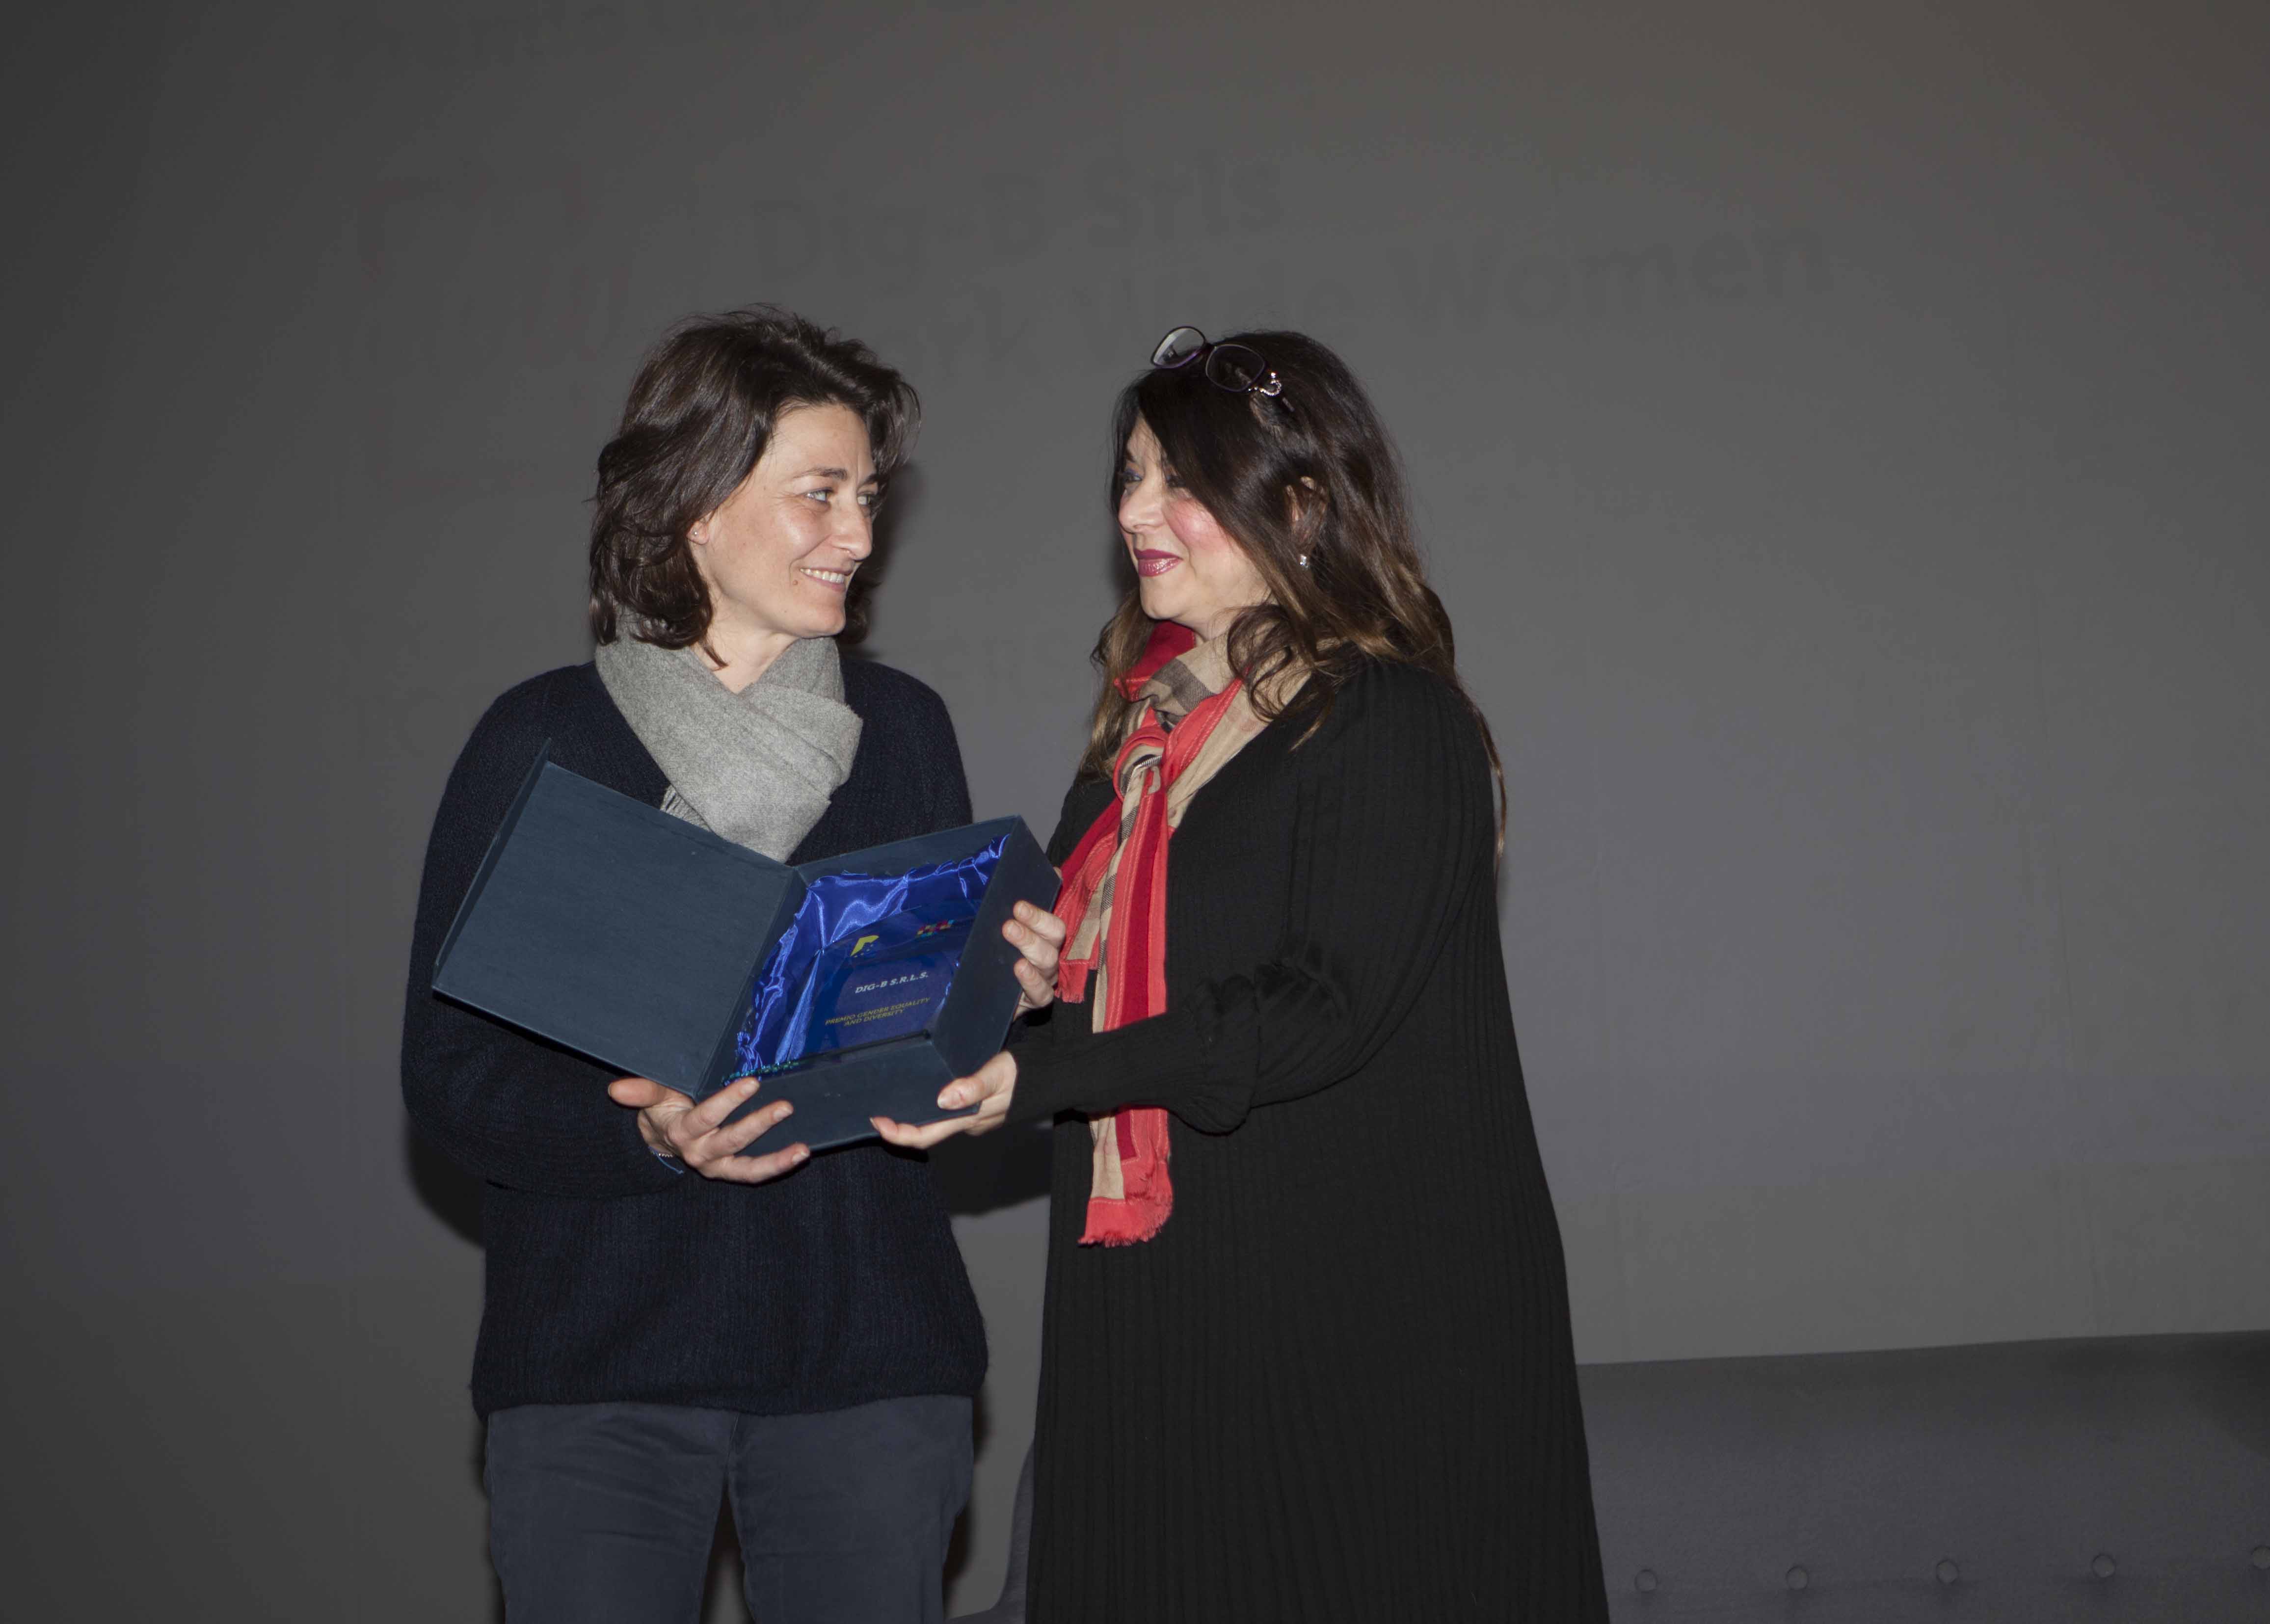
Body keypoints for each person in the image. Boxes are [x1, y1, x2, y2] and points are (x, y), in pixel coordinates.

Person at [876, 328, 1609, 1620]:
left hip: (1361, 1324)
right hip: (1166, 1311)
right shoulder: (1140, 742)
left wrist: (1039, 1075)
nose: (1133, 513)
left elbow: (1321, 1010)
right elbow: (1070, 996)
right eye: (1130, 476)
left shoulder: (1390, 717)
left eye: (1179, 482)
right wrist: (1004, 992)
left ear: (1305, 504)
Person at [402, 308, 1051, 1624]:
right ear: (698, 507)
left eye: (867, 497)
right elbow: (453, 1077)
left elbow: (926, 1061)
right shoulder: (543, 740)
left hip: (869, 1364)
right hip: (597, 1375)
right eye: (821, 492)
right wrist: (642, 1136)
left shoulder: (903, 730)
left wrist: (1004, 1002)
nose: (858, 534)